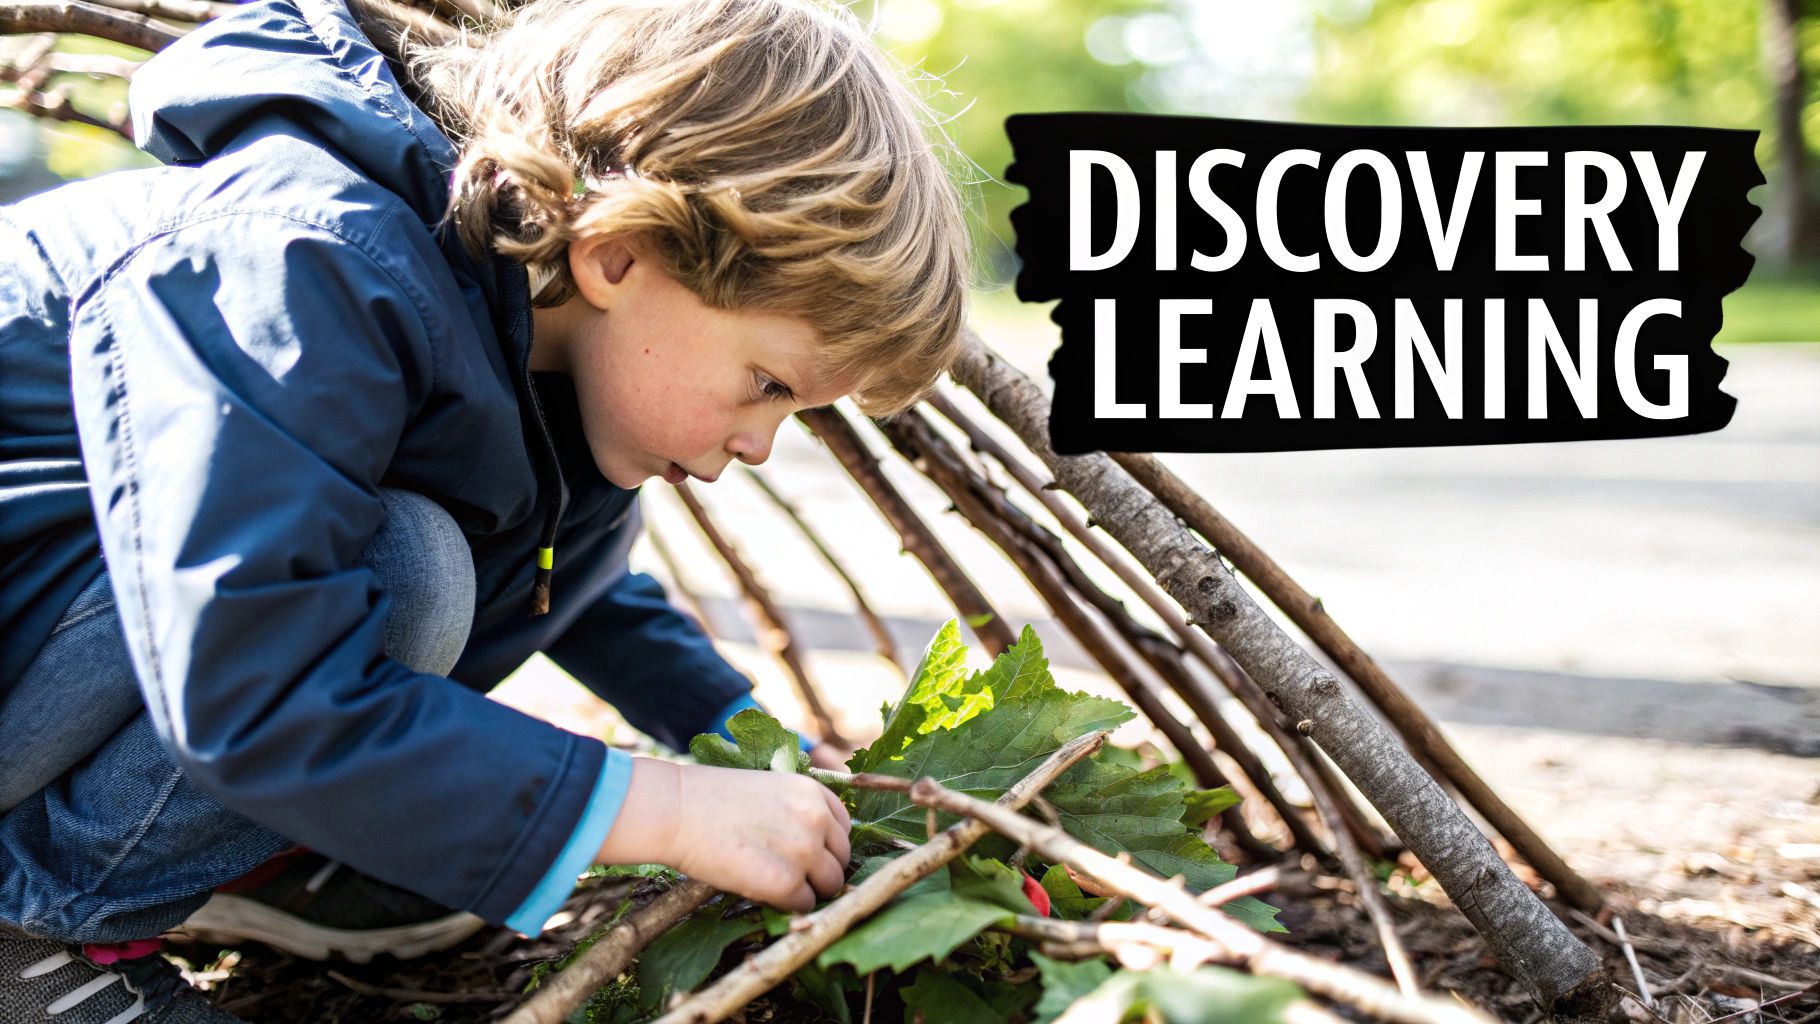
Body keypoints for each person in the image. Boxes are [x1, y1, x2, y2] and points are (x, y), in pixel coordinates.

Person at [0, 0, 971, 1016]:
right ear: (620, 255)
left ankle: (242, 858)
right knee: (400, 569)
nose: (757, 446)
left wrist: (748, 741)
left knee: (418, 564)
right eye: (766, 384)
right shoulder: (304, 259)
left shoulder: (538, 363)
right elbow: (255, 675)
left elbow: (577, 588)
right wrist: (665, 807)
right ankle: (34, 927)